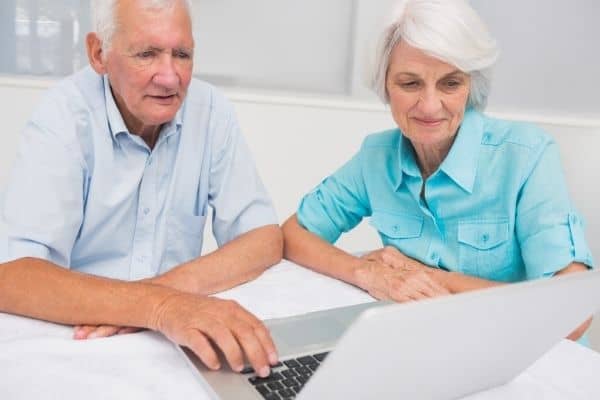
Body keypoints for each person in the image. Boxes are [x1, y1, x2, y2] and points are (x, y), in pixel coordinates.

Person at [0, 0, 282, 377]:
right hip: (80, 343)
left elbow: (263, 237)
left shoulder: (211, 109)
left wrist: (163, 296)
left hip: (176, 338)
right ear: (99, 54)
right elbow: (14, 276)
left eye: (181, 54)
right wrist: (157, 305)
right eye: (146, 54)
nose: (170, 77)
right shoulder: (62, 115)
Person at [282, 0, 594, 340]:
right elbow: (294, 235)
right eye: (410, 83)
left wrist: (429, 279)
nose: (430, 106)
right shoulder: (376, 156)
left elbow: (573, 315)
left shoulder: (527, 156)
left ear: (471, 86)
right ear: (384, 85)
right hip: (418, 343)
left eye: (450, 83)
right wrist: (367, 273)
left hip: (511, 349)